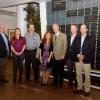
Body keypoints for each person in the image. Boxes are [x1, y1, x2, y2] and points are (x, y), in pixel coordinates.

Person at [74, 24, 94, 97]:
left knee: (87, 76)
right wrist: (79, 55)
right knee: (78, 75)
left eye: (84, 28)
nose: (82, 29)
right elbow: (75, 48)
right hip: (78, 59)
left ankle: (87, 90)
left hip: (87, 60)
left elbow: (91, 48)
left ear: (86, 29)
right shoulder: (77, 38)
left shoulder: (90, 38)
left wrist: (83, 55)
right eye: (81, 28)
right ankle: (79, 88)